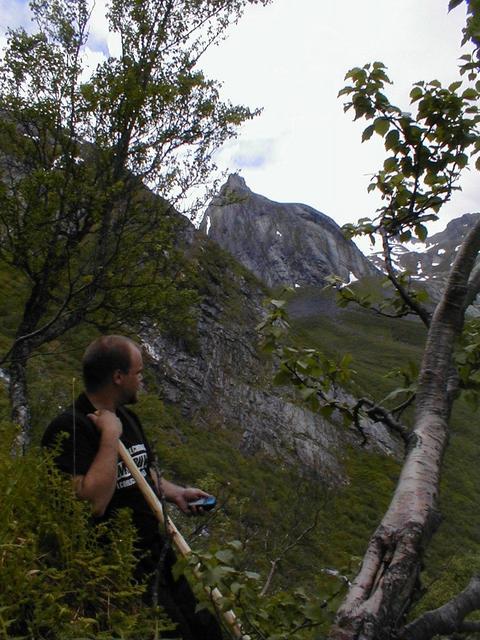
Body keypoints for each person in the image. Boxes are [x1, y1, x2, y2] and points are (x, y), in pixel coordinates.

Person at [42, 335, 224, 640]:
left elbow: (142, 472)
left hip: (159, 555)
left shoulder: (128, 417)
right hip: (121, 570)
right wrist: (110, 438)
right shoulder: (70, 429)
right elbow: (91, 503)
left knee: (206, 629)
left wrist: (175, 492)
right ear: (118, 377)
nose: (141, 380)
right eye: (138, 373)